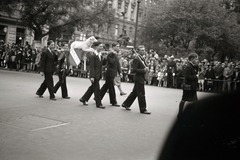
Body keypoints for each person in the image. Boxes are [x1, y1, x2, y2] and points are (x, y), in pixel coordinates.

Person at [121, 45, 151, 114]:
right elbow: (134, 70)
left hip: (141, 78)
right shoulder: (137, 59)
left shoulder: (142, 58)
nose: (144, 51)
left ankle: (126, 104)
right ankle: (143, 109)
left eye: (144, 50)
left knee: (135, 93)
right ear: (138, 51)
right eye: (142, 50)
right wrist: (143, 70)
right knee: (141, 94)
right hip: (138, 78)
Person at [79, 42, 105, 109]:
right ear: (96, 47)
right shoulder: (92, 55)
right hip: (94, 75)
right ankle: (99, 104)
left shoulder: (100, 55)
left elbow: (101, 65)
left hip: (98, 75)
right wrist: (92, 76)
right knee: (97, 89)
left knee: (92, 88)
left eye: (102, 46)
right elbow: (92, 67)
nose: (102, 47)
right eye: (100, 46)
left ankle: (84, 98)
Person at [177, 52, 199, 119]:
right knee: (184, 99)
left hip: (192, 86)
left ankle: (193, 114)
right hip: (188, 86)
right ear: (192, 59)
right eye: (196, 59)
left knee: (194, 101)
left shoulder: (193, 66)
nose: (197, 60)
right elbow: (187, 77)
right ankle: (180, 114)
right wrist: (196, 76)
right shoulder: (188, 66)